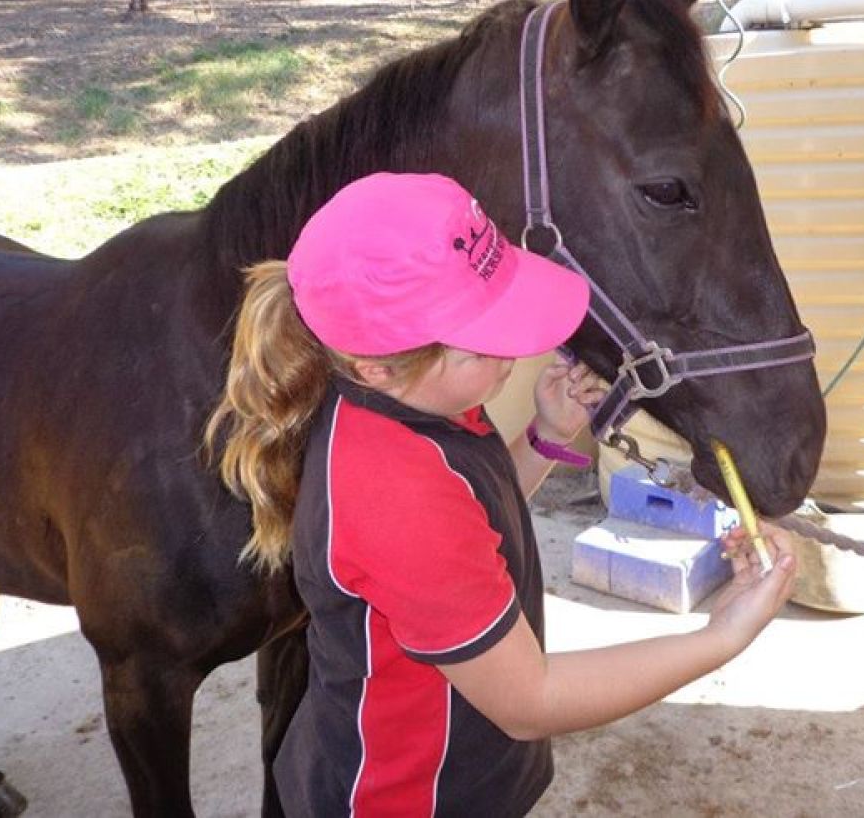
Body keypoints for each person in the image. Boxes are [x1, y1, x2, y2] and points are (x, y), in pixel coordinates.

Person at [205, 172, 798, 817]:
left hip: (460, 764)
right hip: (407, 798)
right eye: (487, 343)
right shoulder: (394, 488)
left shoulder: (416, 401)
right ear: (379, 366)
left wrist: (545, 437)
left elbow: (468, 527)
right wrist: (723, 636)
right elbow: (528, 702)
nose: (514, 354)